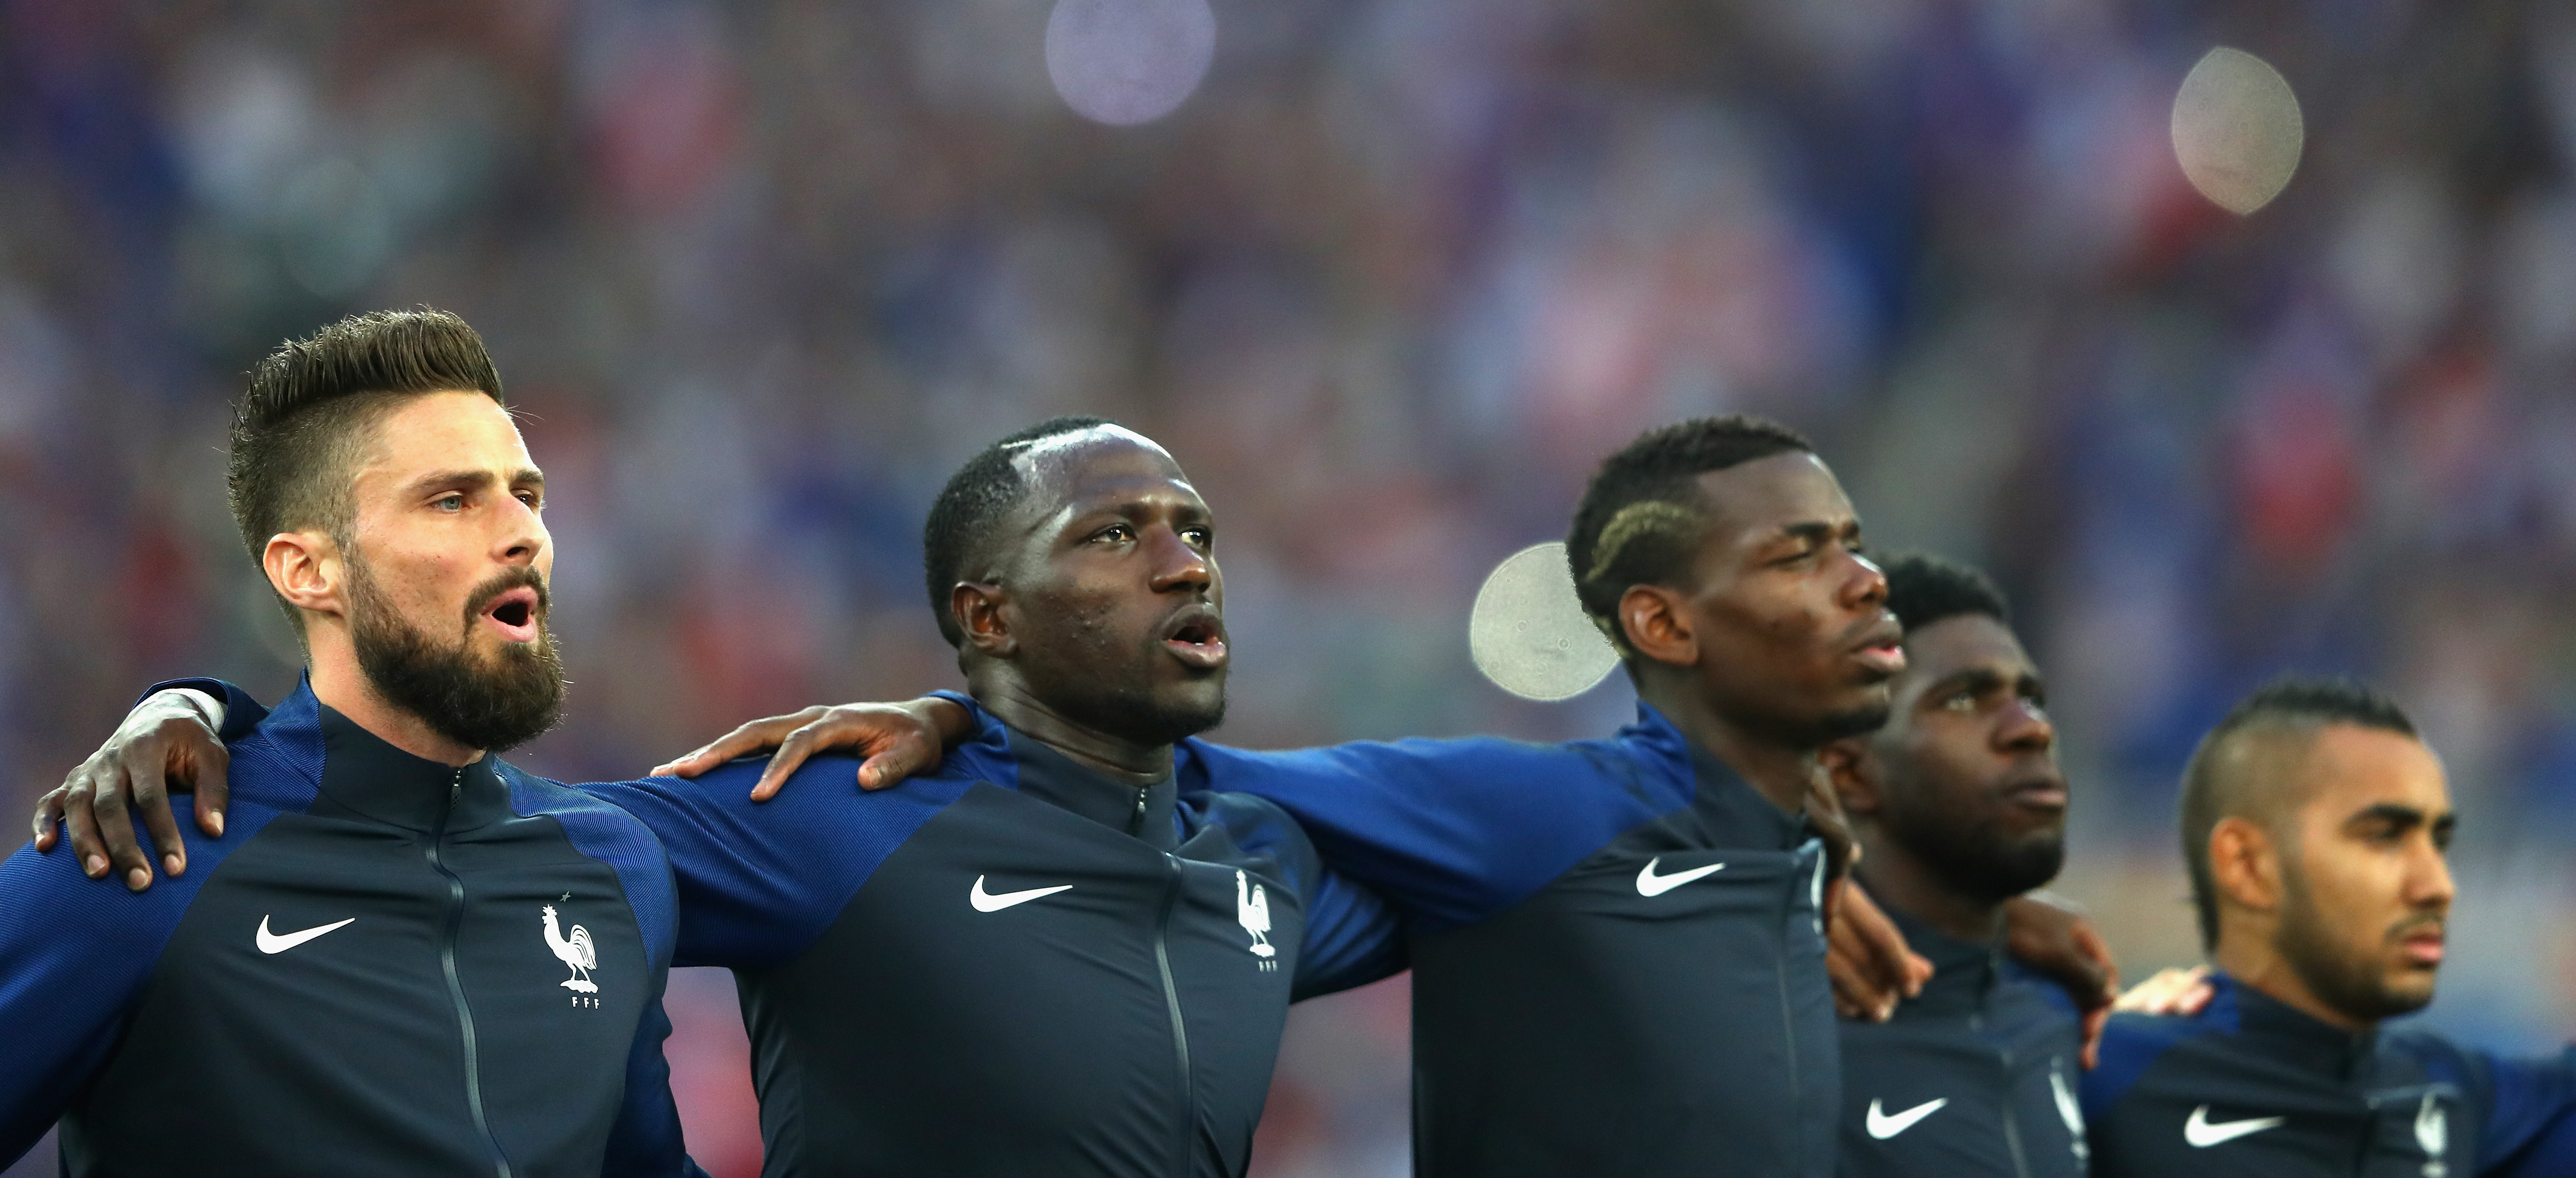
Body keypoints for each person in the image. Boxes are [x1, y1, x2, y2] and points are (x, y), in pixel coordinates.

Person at [647, 415, 2118, 1178]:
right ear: (1664, 626)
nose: (1865, 578)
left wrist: (1913, 908)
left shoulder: (1815, 892)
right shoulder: (1536, 822)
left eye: (1854, 541)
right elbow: (1149, 778)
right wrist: (968, 715)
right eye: (1801, 552)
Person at [40, 415, 1401, 1177]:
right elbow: (464, 821)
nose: (1183, 564)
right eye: (1118, 535)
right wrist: (202, 708)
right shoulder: (841, 817)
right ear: (987, 613)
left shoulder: (1259, 868)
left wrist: (1014, 735)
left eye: (1197, 535)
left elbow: (1542, 840)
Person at [0, 310, 699, 1176]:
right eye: (452, 500)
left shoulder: (616, 863)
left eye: (526, 494)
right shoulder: (144, 853)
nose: (524, 533)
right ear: (308, 569)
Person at [2081, 676, 2576, 1176]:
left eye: (2439, 843)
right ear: (2247, 866)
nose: (2438, 884)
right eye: (2383, 837)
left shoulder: (2460, 1097)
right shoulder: (2102, 1076)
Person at [1818, 553, 2092, 1177]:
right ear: (1850, 770)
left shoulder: (2065, 1022)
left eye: (2031, 698)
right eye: (1965, 699)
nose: (2031, 730)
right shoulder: (1773, 1047)